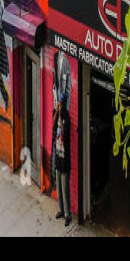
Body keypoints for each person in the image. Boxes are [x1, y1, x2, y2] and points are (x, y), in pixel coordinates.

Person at [52, 88, 72, 227]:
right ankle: (60, 210)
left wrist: (60, 114)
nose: (59, 106)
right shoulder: (57, 114)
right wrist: (56, 112)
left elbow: (64, 133)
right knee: (58, 185)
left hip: (65, 157)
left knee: (65, 188)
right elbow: (53, 126)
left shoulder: (67, 118)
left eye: (61, 104)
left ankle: (67, 214)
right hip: (58, 154)